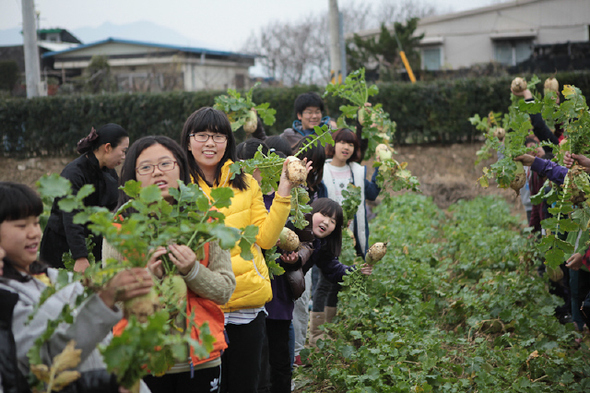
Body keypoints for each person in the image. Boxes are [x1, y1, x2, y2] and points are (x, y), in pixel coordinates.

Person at [180, 107, 309, 393]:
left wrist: (284, 192)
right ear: (188, 142)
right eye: (201, 135)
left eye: (218, 136)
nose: (210, 143)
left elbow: (264, 239)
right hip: (200, 303)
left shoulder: (246, 182)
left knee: (244, 385)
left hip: (246, 304)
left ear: (228, 141)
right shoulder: (180, 188)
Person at [102, 136, 235, 393]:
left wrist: (192, 270)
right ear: (132, 177)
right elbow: (112, 303)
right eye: (146, 167)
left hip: (201, 356)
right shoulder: (120, 226)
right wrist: (147, 279)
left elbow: (225, 290)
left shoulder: (206, 217)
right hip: (142, 358)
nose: (157, 172)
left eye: (165, 163)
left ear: (180, 168)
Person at [0, 181, 153, 393]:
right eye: (21, 226)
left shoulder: (58, 278)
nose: (34, 233)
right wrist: (105, 300)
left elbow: (102, 341)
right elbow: (48, 361)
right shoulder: (6, 297)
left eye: (36, 223)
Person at [310, 128, 380, 345]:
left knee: (337, 282)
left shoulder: (357, 172)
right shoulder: (324, 171)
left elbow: (372, 194)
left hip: (349, 238)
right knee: (322, 283)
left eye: (351, 144)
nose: (346, 147)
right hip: (327, 235)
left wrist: (381, 167)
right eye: (341, 142)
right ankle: (316, 337)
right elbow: (316, 204)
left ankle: (328, 332)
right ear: (334, 144)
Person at [40, 124, 129, 272]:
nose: (124, 157)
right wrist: (80, 256)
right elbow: (71, 217)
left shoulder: (109, 172)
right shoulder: (74, 173)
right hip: (63, 247)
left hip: (91, 244)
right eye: (123, 151)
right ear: (107, 148)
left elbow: (117, 206)